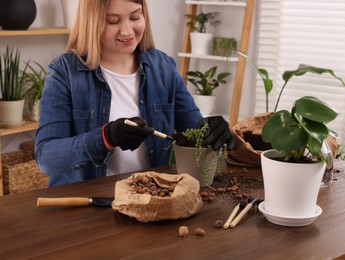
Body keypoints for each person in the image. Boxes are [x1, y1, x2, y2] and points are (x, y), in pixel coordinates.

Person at [35, 0, 235, 187]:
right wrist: (107, 137)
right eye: (113, 21)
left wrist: (214, 131)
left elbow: (194, 134)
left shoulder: (162, 67)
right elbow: (47, 158)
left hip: (152, 197)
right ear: (92, 22)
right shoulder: (65, 72)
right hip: (86, 205)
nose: (127, 30)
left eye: (135, 17)